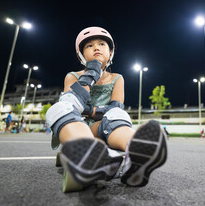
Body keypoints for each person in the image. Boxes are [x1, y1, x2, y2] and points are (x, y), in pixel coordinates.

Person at [45, 26, 167, 191]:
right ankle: (89, 153)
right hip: (75, 124)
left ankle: (136, 151)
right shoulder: (73, 76)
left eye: (102, 44)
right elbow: (73, 104)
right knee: (60, 107)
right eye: (89, 46)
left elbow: (114, 107)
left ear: (110, 53)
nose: (96, 47)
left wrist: (91, 111)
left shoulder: (117, 78)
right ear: (81, 55)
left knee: (117, 114)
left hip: (102, 126)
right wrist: (92, 74)